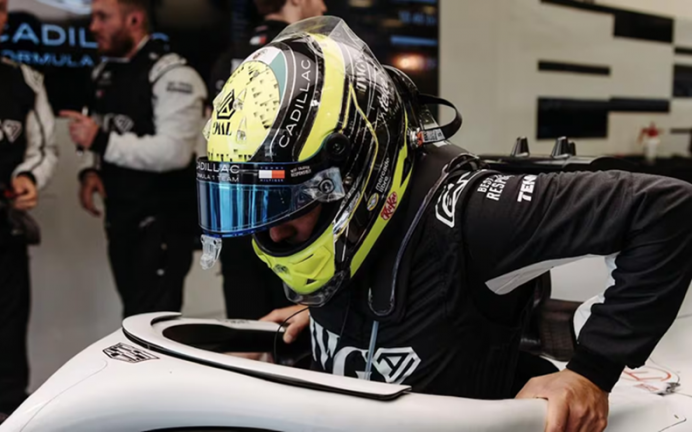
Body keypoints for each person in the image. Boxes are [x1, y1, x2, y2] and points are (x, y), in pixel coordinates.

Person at [197, 17, 692, 432]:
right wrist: (329, 313)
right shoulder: (338, 228)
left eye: (285, 201)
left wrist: (591, 372)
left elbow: (669, 209)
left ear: (352, 167)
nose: (272, 233)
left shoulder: (473, 212)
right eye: (254, 205)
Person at [60, 0, 207, 318]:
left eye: (103, 18)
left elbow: (175, 152)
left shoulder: (173, 75)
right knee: (132, 315)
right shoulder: (104, 72)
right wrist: (90, 170)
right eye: (92, 17)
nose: (93, 27)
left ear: (134, 20)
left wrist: (101, 141)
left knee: (153, 324)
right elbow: (101, 129)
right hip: (121, 218)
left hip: (162, 223)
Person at [207, 0, 326, 320]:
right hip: (291, 211)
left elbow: (212, 139)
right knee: (294, 327)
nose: (323, 6)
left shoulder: (229, 58)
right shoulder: (312, 58)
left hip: (235, 212)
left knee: (246, 332)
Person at [0, 0, 58, 426]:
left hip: (3, 234)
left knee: (7, 347)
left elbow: (44, 149)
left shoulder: (24, 79)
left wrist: (28, 178)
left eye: (0, 7)